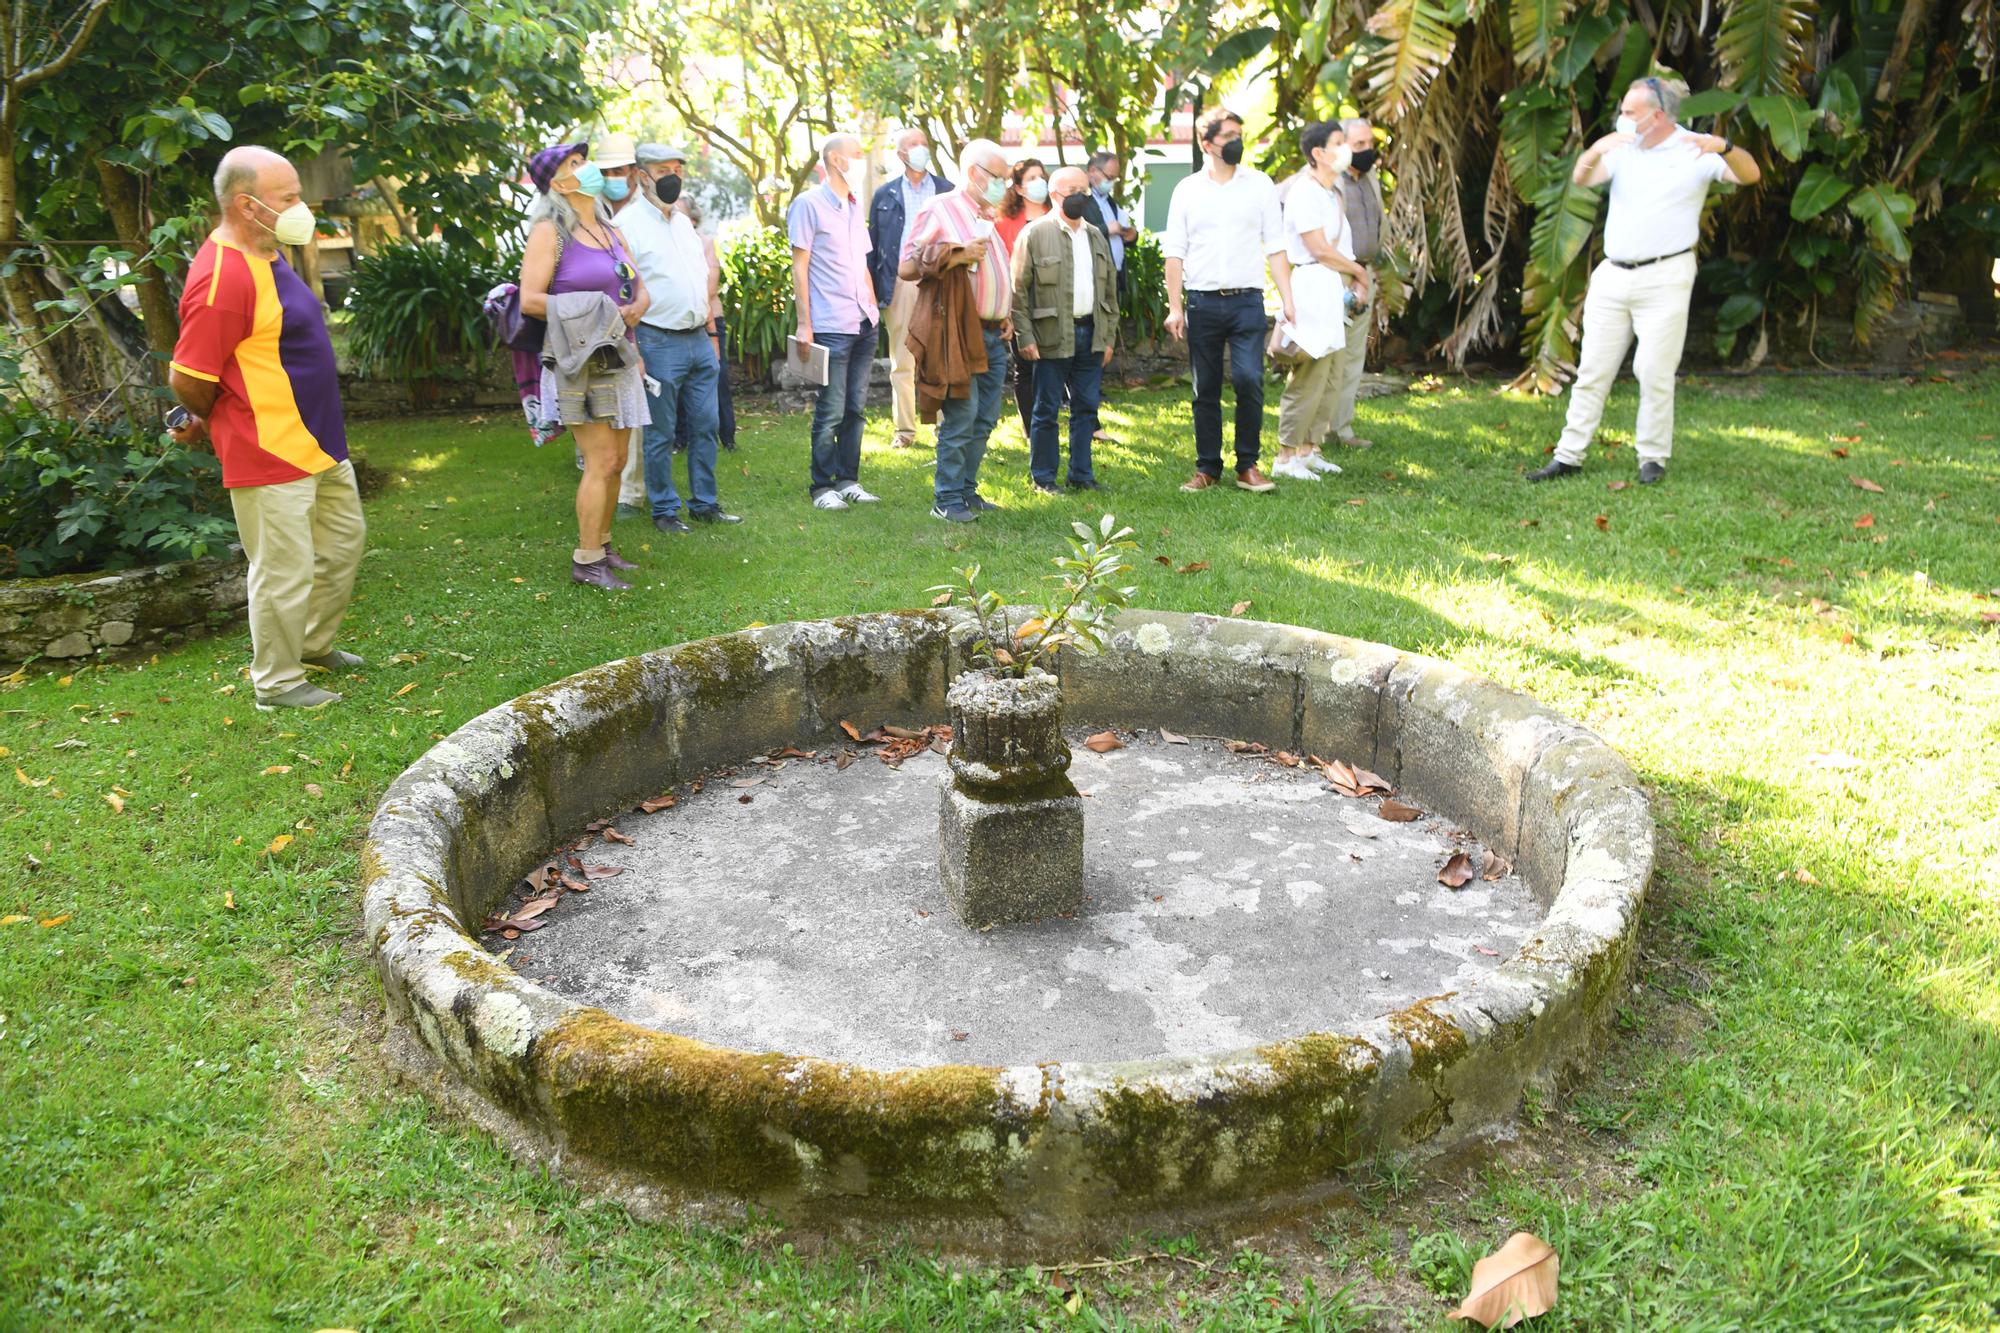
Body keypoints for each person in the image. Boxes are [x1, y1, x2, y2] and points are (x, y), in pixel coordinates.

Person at [168, 145, 365, 711]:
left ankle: (312, 646)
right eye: (290, 198)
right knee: (283, 572)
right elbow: (188, 376)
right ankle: (277, 683)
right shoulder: (222, 276)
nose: (301, 207)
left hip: (319, 442)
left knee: (342, 547)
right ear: (246, 204)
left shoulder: (267, 252)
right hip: (268, 448)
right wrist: (212, 415)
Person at [1529, 77, 1761, 486]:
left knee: (1654, 370)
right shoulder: (1622, 148)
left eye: (1630, 112)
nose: (1622, 118)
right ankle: (1568, 455)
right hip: (1613, 274)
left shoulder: (1695, 147)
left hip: (1666, 275)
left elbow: (1750, 174)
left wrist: (1724, 146)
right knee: (1593, 369)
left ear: (1657, 116)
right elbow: (1583, 179)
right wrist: (1597, 149)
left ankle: (1652, 458)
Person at [517, 141, 651, 588]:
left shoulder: (611, 231)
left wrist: (638, 307)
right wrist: (598, 307)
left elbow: (638, 287)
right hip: (579, 360)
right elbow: (530, 300)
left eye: (584, 160)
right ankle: (587, 560)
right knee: (600, 459)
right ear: (557, 183)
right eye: (575, 164)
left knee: (618, 459)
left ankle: (605, 543)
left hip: (621, 356)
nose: (589, 168)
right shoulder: (549, 231)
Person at [601, 134, 737, 536]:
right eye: (663, 172)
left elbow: (699, 282)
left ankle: (705, 504)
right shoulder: (626, 225)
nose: (672, 179)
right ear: (642, 177)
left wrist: (711, 335)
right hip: (657, 340)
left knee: (705, 426)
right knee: (660, 434)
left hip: (698, 338)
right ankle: (664, 510)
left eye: (677, 171)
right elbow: (620, 291)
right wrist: (635, 348)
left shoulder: (681, 221)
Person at [1162, 108, 1296, 493]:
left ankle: (1248, 465)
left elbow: (1276, 246)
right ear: (1208, 144)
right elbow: (1175, 252)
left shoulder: (1260, 185)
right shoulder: (1186, 190)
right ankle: (1207, 468)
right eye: (1230, 135)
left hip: (1247, 302)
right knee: (1205, 388)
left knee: (1250, 379)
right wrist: (1175, 307)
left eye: (1241, 133)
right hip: (1202, 302)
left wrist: (1287, 299)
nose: (1238, 141)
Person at [899, 137, 1015, 523]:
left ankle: (967, 490)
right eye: (998, 177)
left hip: (993, 332)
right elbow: (907, 266)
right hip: (957, 331)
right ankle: (946, 498)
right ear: (973, 174)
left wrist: (1006, 311)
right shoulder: (940, 209)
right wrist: (957, 253)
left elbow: (993, 272)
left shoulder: (986, 215)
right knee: (962, 416)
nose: (1004, 186)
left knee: (984, 418)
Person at [1272, 123, 1372, 482]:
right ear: (1318, 153)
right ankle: (1286, 455)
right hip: (1313, 283)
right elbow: (1318, 248)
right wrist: (1358, 272)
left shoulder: (1332, 193)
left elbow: (1338, 248)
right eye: (1338, 143)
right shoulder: (1305, 192)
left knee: (1332, 374)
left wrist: (1353, 280)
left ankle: (1310, 448)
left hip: (1333, 287)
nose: (1346, 149)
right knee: (1310, 375)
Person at [789, 133, 882, 510]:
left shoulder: (854, 204)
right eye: (856, 155)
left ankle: (849, 480)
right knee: (831, 410)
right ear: (834, 159)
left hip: (863, 321)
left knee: (856, 408)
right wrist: (803, 323)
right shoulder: (807, 204)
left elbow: (863, 264)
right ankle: (821, 486)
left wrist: (874, 310)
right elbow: (800, 265)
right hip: (829, 322)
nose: (862, 160)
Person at [1013, 166, 1119, 494]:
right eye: (1071, 189)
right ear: (1054, 194)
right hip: (1050, 337)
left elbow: (1110, 293)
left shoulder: (1096, 236)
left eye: (1084, 190)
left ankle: (1081, 475)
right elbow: (1018, 291)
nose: (1079, 196)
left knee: (1086, 408)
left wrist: (1109, 337)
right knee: (1045, 410)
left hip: (1092, 335)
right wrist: (1024, 336)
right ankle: (1043, 478)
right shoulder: (1035, 233)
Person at [868, 128, 953, 450]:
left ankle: (945, 425)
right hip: (900, 282)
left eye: (924, 145)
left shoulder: (947, 190)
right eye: (913, 146)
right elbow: (874, 247)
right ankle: (904, 429)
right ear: (901, 154)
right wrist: (875, 291)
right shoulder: (884, 195)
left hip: (940, 281)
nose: (921, 150)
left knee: (940, 357)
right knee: (902, 360)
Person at [1323, 117, 1386, 451]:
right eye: (1358, 145)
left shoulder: (1370, 178)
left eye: (1369, 144)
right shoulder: (1330, 182)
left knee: (1352, 355)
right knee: (1325, 353)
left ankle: (1342, 429)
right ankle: (1313, 432)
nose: (1367, 151)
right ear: (1343, 146)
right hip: (1335, 275)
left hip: (1366, 274)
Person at [672, 193, 737, 455]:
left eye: (681, 213)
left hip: (709, 317)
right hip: (676, 321)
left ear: (693, 218)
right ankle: (681, 437)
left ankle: (727, 435)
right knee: (677, 381)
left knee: (718, 378)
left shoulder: (704, 242)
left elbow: (711, 283)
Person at [995, 158, 1049, 427]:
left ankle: (1086, 424)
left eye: (1041, 176)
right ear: (1018, 188)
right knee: (1025, 367)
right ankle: (1032, 428)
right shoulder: (1004, 223)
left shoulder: (1057, 215)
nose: (1039, 182)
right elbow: (1002, 265)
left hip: (1055, 302)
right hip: (1020, 303)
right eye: (1031, 178)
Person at [1084, 151, 1137, 295]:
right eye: (1109, 177)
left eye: (1115, 179)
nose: (1111, 183)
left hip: (1115, 277)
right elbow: (1078, 235)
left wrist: (1131, 236)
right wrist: (1106, 229)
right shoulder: (1081, 200)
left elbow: (1118, 234)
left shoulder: (1110, 202)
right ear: (1092, 171)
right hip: (1093, 279)